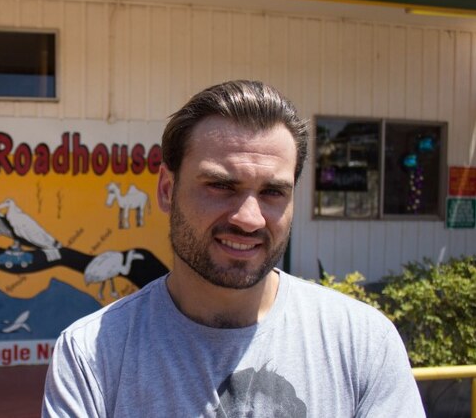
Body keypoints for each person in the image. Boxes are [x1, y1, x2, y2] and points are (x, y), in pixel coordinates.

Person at [42, 80, 424, 417]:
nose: (249, 218)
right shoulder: (90, 356)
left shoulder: (362, 344)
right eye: (221, 186)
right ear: (166, 190)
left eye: (273, 192)